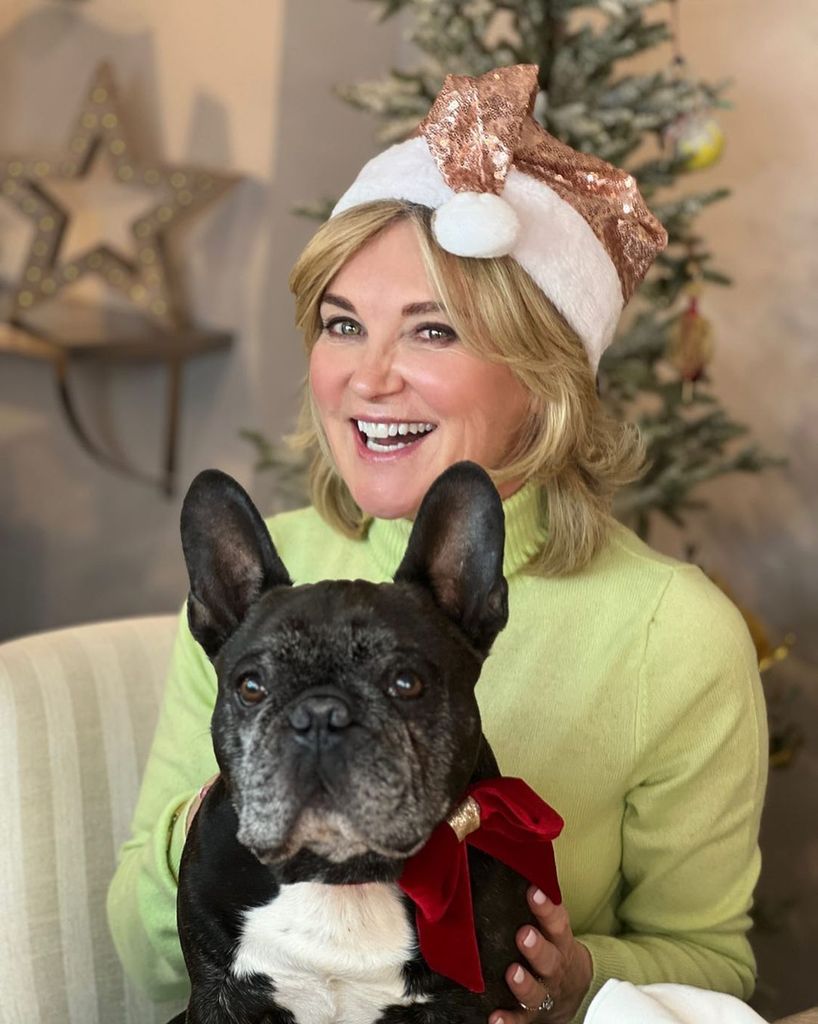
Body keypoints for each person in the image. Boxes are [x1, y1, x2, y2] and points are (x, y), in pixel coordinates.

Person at [107, 65, 768, 1024]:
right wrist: (262, 784)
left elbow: (713, 965)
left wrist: (573, 974)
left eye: (433, 332)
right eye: (343, 325)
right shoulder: (261, 587)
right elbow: (147, 951)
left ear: (546, 377)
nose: (370, 378)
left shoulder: (673, 629)